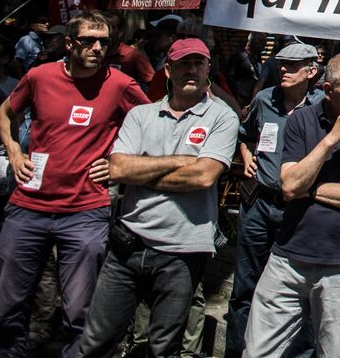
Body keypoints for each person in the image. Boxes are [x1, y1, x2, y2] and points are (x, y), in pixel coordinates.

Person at [0, 9, 148, 358]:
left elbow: (151, 123)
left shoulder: (121, 84)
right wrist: (14, 151)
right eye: (89, 40)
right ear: (69, 43)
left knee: (81, 313)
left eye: (104, 42)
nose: (97, 48)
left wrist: (119, 163)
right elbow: (5, 113)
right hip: (27, 207)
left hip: (85, 211)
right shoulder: (40, 76)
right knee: (9, 308)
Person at [75, 37, 239, 357]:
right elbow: (119, 167)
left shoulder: (222, 118)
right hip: (128, 242)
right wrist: (180, 160)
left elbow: (204, 175)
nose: (191, 70)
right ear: (168, 70)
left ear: (208, 69)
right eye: (182, 64)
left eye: (198, 63)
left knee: (163, 346)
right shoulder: (141, 115)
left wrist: (144, 169)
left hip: (184, 248)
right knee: (97, 340)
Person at [244, 53, 340, 358]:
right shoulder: (302, 120)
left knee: (333, 351)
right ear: (328, 90)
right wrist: (330, 141)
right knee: (258, 349)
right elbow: (288, 185)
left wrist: (309, 190)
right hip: (289, 258)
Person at [224, 40, 323, 358]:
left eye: (292, 66)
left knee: (301, 290)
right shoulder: (265, 99)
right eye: (281, 64)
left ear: (311, 71)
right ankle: (236, 350)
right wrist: (246, 155)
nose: (283, 69)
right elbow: (245, 133)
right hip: (258, 205)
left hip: (299, 209)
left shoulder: (322, 106)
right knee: (245, 287)